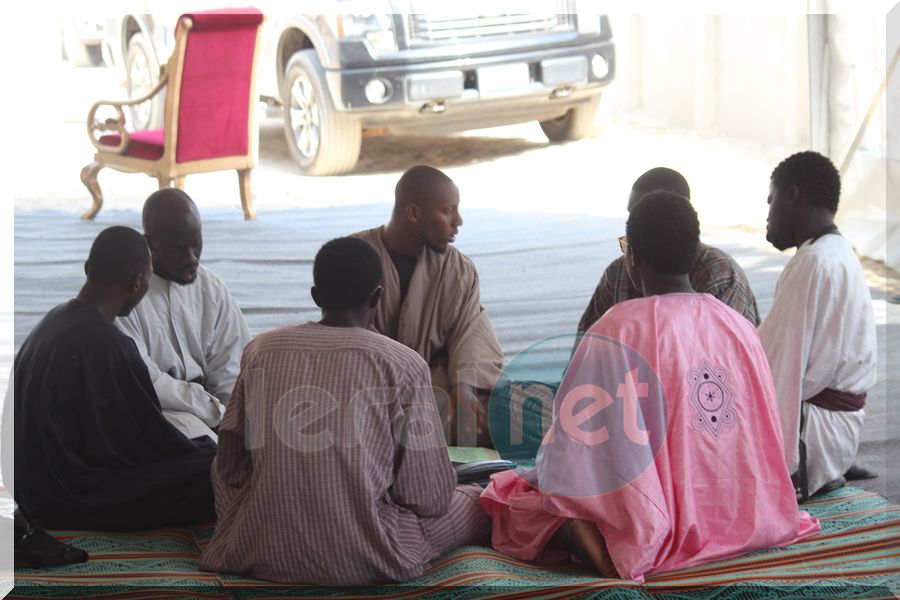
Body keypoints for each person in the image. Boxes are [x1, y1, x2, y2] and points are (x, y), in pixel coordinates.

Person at [481, 192, 820, 581]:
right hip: (751, 514)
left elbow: (573, 451)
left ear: (633, 257)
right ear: (693, 254)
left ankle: (599, 541)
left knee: (510, 499)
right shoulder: (738, 326)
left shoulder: (618, 327)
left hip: (655, 523)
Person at [201, 237, 489, 585]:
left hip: (258, 549)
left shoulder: (261, 350)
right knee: (472, 502)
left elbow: (230, 468)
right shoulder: (404, 363)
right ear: (378, 297)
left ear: (315, 296)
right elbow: (426, 497)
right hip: (372, 556)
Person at [6, 226, 216, 532]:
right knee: (216, 471)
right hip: (67, 499)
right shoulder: (108, 345)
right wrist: (208, 453)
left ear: (88, 268)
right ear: (137, 283)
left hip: (28, 486)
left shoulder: (52, 320)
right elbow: (147, 444)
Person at [354, 165, 503, 447]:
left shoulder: (458, 269)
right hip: (370, 391)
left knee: (515, 414)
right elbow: (349, 338)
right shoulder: (355, 256)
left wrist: (464, 386)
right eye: (448, 211)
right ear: (413, 213)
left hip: (438, 389)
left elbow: (471, 331)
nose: (458, 221)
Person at [759, 151, 878, 499]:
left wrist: (779, 468)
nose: (767, 215)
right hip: (836, 432)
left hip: (813, 436)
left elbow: (777, 373)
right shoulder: (836, 251)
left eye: (771, 200)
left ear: (793, 195)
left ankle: (809, 473)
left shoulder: (812, 262)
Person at [117, 188, 251, 440]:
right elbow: (145, 381)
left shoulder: (212, 289)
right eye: (177, 250)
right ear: (150, 245)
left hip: (215, 410)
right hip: (162, 412)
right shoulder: (127, 296)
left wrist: (232, 420)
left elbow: (233, 367)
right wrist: (208, 408)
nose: (191, 258)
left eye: (196, 243)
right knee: (195, 441)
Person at [576, 167, 759, 339]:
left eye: (645, 213)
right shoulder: (618, 273)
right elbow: (586, 349)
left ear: (682, 214)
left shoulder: (720, 275)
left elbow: (722, 361)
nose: (633, 223)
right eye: (631, 214)